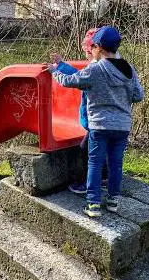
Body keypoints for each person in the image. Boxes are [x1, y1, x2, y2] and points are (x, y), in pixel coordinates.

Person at [47, 26, 144, 217]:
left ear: (98, 47)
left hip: (100, 126)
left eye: (93, 48)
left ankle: (93, 204)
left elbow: (69, 81)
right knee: (116, 164)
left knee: (95, 163)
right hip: (122, 127)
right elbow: (138, 95)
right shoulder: (129, 69)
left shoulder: (96, 69)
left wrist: (53, 71)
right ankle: (114, 201)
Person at [51, 28, 108, 194]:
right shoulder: (105, 67)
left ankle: (87, 184)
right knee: (102, 152)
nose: (86, 56)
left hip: (96, 122)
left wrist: (55, 71)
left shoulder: (95, 69)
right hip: (105, 122)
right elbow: (78, 75)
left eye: (87, 53)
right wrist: (61, 64)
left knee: (87, 152)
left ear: (96, 50)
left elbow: (72, 79)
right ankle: (105, 178)